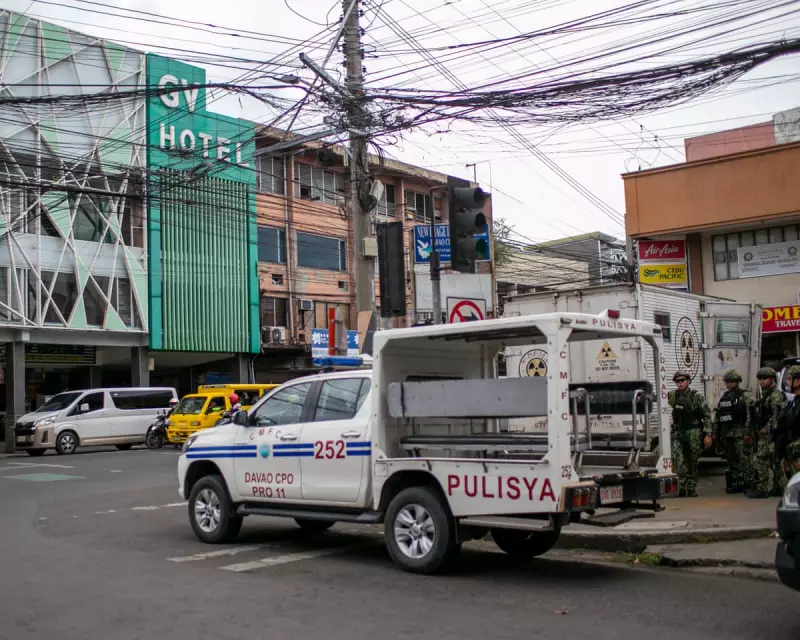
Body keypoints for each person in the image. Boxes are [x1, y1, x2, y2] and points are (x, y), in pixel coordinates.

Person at [668, 372, 713, 497]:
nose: (680, 383)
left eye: (682, 380)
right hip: (679, 431)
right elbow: (659, 398)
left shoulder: (696, 397)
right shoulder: (673, 396)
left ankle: (691, 487)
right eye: (677, 381)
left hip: (694, 431)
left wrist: (708, 434)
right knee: (679, 460)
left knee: (692, 460)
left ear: (688, 381)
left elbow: (706, 415)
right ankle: (682, 487)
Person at [715, 369, 755, 494]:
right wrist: (717, 432)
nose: (728, 384)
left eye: (731, 381)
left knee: (744, 460)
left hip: (740, 433)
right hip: (728, 434)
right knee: (732, 460)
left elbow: (750, 415)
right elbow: (720, 414)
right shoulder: (725, 396)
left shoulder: (744, 395)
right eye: (727, 381)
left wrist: (748, 432)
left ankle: (749, 484)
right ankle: (738, 483)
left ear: (737, 382)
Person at [750, 367, 787, 499]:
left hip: (772, 435)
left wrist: (767, 428)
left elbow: (777, 416)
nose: (761, 381)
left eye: (764, 378)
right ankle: (778, 488)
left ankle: (762, 489)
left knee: (760, 460)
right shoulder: (765, 396)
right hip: (766, 434)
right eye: (760, 378)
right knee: (774, 463)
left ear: (772, 380)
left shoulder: (775, 395)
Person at [776, 366, 800, 482]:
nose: (786, 382)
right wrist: (784, 456)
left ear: (798, 381)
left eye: (790, 379)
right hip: (791, 454)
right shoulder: (792, 402)